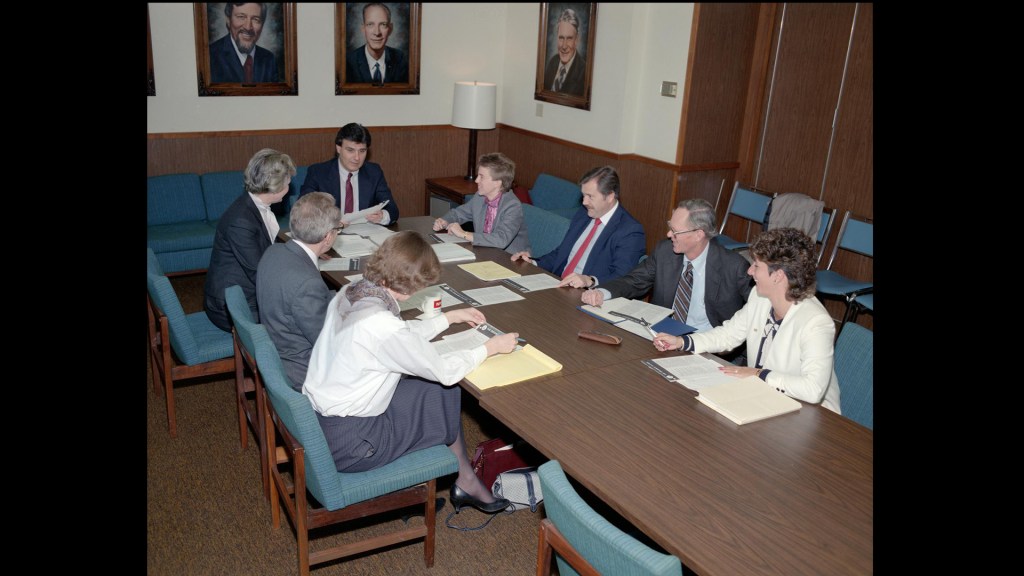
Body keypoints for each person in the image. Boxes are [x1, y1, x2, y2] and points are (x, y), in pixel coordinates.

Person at [303, 231, 518, 513]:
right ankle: (450, 482)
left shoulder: (353, 292)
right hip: (356, 445)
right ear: (410, 287)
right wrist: (489, 348)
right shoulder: (382, 326)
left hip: (324, 425)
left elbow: (400, 335)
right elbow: (443, 370)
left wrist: (447, 318)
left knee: (434, 393)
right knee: (443, 388)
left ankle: (464, 478)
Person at [653, 228, 841, 413]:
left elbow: (813, 389)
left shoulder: (816, 322)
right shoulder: (759, 298)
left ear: (778, 276)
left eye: (756, 266)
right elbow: (728, 335)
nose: (750, 271)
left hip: (809, 413)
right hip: (763, 399)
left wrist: (759, 375)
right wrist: (682, 341)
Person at [581, 199, 751, 333]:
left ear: (698, 235)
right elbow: (634, 281)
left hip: (707, 343)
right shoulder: (665, 251)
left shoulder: (734, 267)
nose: (669, 234)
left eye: (675, 231)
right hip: (663, 335)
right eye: (670, 227)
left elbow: (756, 314)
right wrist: (601, 293)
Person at [204, 148, 295, 332]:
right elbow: (259, 272)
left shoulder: (252, 205)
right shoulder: (241, 221)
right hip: (232, 306)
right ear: (275, 186)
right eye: (287, 182)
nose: (290, 186)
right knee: (297, 324)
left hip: (247, 292)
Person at [510, 166, 645, 289]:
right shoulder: (584, 214)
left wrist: (590, 280)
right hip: (559, 286)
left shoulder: (630, 231)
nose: (584, 202)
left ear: (610, 196)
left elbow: (622, 277)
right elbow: (561, 253)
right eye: (583, 195)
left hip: (588, 295)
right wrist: (533, 263)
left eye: (590, 196)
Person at [256, 192, 340, 388]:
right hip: (303, 371)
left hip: (280, 348)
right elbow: (328, 343)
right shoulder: (307, 284)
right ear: (328, 237)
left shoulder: (274, 251)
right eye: (338, 229)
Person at [300, 123, 399, 224]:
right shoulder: (318, 172)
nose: (357, 157)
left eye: (362, 151)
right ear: (339, 148)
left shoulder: (374, 172)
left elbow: (392, 209)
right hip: (330, 231)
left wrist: (382, 216)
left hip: (365, 230)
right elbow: (303, 210)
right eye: (350, 150)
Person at [432, 152, 530, 254]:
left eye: (481, 177)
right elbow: (459, 213)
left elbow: (501, 240)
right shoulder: (480, 197)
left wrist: (464, 234)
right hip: (484, 252)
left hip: (509, 258)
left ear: (497, 182)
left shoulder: (512, 206)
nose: (476, 180)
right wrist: (445, 221)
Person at [209, 3, 280, 83]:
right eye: (241, 17)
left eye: (255, 19)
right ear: (228, 20)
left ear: (262, 24)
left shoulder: (269, 59)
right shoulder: (210, 56)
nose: (248, 27)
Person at [345, 3, 409, 84]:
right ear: (363, 28)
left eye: (383, 24)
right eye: (370, 24)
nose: (377, 32)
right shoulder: (349, 62)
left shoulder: (401, 59)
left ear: (390, 29)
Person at [542, 8, 587, 97]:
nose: (564, 46)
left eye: (569, 38)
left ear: (576, 40)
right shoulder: (552, 62)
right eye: (561, 38)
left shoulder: (584, 72)